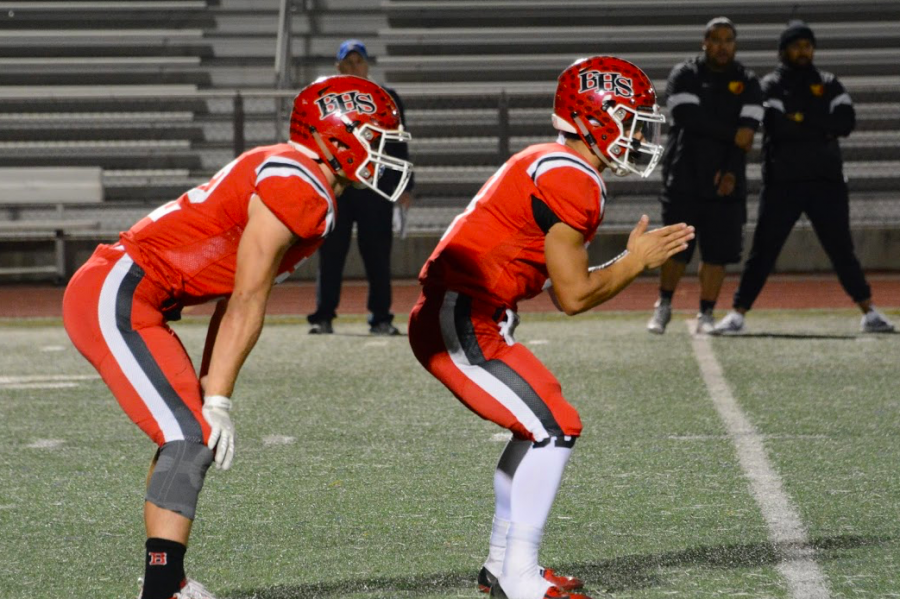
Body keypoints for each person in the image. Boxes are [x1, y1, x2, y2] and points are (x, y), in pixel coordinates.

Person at [62, 75, 412, 599]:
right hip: (117, 293)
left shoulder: (300, 178)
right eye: (376, 136)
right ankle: (162, 590)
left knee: (190, 434)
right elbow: (247, 297)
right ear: (337, 136)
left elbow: (233, 297)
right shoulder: (299, 186)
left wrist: (212, 387)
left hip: (135, 298)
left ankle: (167, 582)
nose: (386, 149)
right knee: (189, 435)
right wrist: (219, 398)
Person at [408, 56, 695, 599]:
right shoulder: (571, 176)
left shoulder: (555, 163)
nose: (640, 133)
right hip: (461, 316)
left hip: (468, 313)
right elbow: (575, 295)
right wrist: (635, 262)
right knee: (554, 423)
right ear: (596, 119)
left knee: (540, 424)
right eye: (632, 119)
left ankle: (502, 565)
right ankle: (518, 574)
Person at [713, 21, 895, 334]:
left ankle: (869, 312)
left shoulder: (829, 82)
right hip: (783, 183)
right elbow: (779, 126)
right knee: (764, 251)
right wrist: (819, 124)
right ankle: (738, 313)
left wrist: (800, 119)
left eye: (807, 45)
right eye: (796, 45)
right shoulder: (770, 84)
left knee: (841, 250)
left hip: (826, 183)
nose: (803, 51)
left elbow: (846, 121)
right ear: (784, 50)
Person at [647, 16, 763, 335]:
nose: (722, 46)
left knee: (717, 252)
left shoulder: (749, 81)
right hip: (684, 175)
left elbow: (747, 135)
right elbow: (686, 117)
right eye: (716, 39)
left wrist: (727, 170)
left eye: (728, 40)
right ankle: (664, 305)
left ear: (735, 44)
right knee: (676, 248)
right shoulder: (685, 74)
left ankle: (706, 313)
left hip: (727, 180)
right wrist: (730, 131)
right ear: (704, 42)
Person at [307, 39, 415, 336]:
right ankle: (323, 315)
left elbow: (398, 143)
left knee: (378, 256)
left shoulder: (386, 97)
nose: (355, 66)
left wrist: (405, 185)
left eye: (359, 61)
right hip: (338, 189)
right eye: (349, 61)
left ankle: (381, 317)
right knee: (330, 255)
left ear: (367, 65)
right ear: (337, 66)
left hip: (375, 187)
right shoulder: (324, 98)